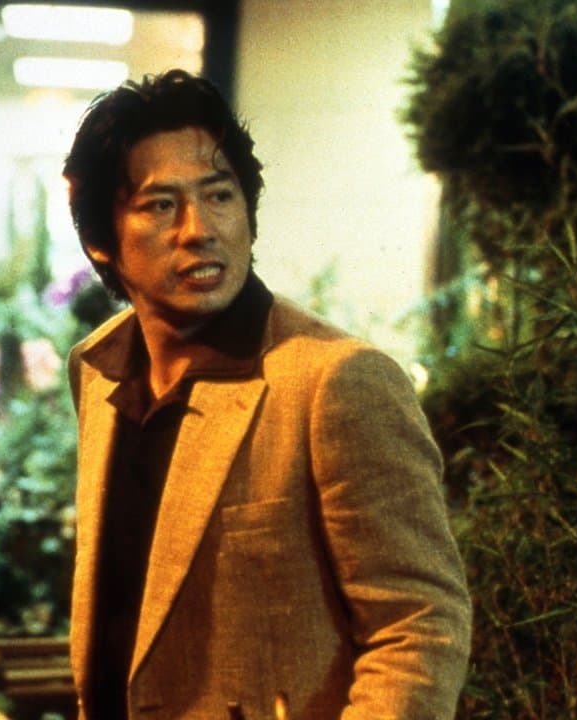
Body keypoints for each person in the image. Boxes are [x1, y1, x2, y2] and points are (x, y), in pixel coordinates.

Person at [61, 69, 472, 719]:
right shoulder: (98, 368)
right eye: (161, 205)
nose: (199, 228)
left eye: (219, 195)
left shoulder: (336, 380)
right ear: (100, 242)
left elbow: (418, 626)